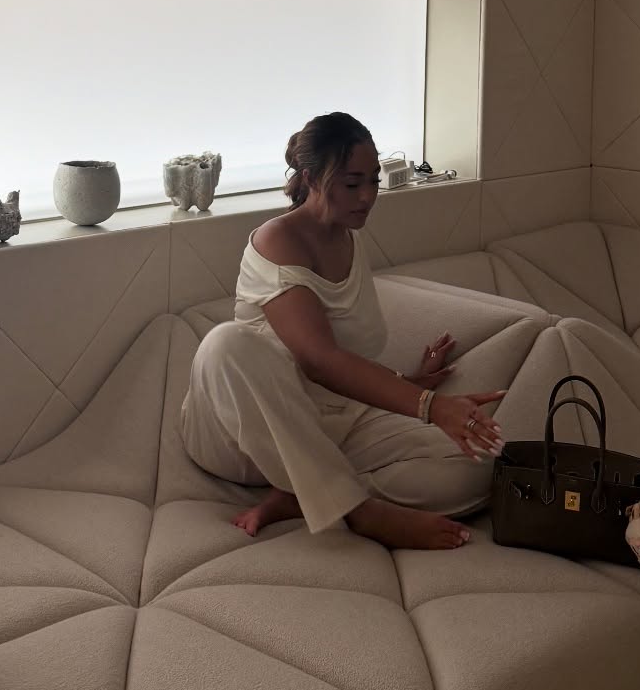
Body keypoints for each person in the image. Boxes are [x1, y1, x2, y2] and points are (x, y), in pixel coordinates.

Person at [179, 112, 510, 551]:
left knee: (476, 468)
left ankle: (304, 491)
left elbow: (346, 356)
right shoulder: (276, 241)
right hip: (239, 436)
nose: (367, 196)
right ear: (312, 178)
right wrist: (431, 406)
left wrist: (407, 382)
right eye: (352, 183)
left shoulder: (349, 237)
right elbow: (319, 361)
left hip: (328, 425)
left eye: (373, 181)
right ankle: (358, 510)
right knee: (225, 344)